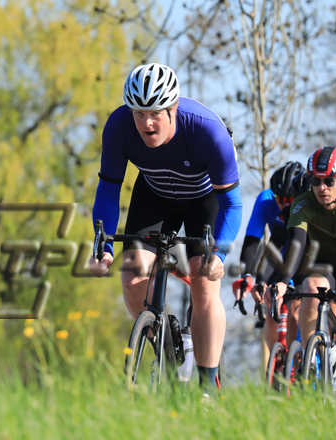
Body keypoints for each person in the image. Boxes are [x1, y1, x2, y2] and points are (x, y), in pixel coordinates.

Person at [89, 63, 242, 388]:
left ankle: (207, 386)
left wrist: (219, 255)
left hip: (204, 197)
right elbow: (108, 189)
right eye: (139, 114)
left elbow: (233, 204)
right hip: (155, 194)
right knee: (133, 275)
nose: (147, 123)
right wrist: (103, 246)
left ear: (173, 107)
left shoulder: (206, 131)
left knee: (203, 280)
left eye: (155, 113)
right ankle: (167, 345)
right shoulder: (119, 126)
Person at [272, 146, 336, 413]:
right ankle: (313, 359)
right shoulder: (302, 204)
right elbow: (296, 244)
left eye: (329, 181)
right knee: (310, 286)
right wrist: (283, 280)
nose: (322, 188)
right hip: (322, 266)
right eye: (316, 181)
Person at [232, 161, 309, 369]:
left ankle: (301, 361)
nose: (283, 204)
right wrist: (248, 275)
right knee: (267, 296)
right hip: (278, 247)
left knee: (296, 307)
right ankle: (274, 365)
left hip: (305, 251)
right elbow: (252, 239)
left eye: (288, 200)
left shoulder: (308, 204)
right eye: (279, 199)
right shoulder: (266, 200)